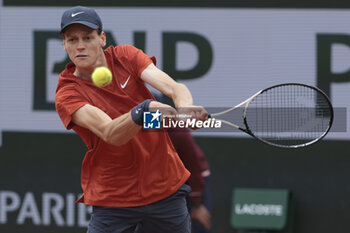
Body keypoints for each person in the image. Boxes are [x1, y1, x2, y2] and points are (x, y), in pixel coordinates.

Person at [55, 5, 208, 233]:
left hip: (164, 190)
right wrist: (143, 109)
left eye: (87, 38)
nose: (80, 46)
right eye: (72, 39)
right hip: (114, 199)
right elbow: (110, 133)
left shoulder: (126, 56)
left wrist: (185, 108)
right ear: (64, 44)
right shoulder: (68, 93)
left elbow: (175, 88)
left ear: (102, 38)